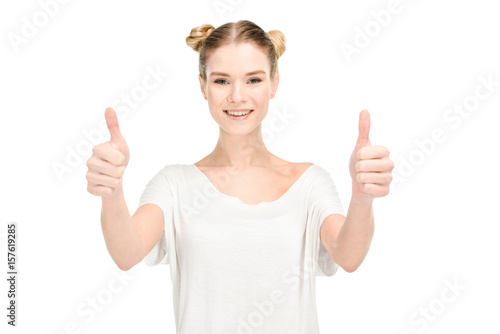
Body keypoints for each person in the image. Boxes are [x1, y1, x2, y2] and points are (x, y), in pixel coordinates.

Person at [86, 19, 394, 334]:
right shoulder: (174, 185)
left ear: (274, 83)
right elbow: (126, 253)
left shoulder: (309, 183)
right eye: (221, 81)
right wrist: (111, 192)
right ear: (203, 86)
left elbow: (349, 255)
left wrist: (362, 197)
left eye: (253, 80)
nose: (237, 96)